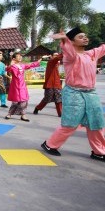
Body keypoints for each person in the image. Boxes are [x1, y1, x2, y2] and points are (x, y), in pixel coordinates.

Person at [41, 27, 105, 162]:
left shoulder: (92, 53)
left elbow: (103, 48)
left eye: (85, 36)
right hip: (74, 93)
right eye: (81, 37)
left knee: (97, 123)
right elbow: (69, 51)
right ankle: (50, 145)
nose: (85, 38)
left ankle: (99, 151)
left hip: (91, 94)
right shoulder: (70, 57)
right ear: (72, 42)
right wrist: (64, 39)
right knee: (70, 123)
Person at [4, 52, 40, 122]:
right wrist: (10, 65)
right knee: (15, 101)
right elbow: (7, 70)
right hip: (15, 85)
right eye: (18, 56)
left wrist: (38, 61)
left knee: (24, 100)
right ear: (14, 58)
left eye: (21, 56)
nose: (20, 57)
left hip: (22, 85)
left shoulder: (23, 65)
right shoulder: (12, 66)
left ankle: (23, 115)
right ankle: (9, 114)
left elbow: (30, 65)